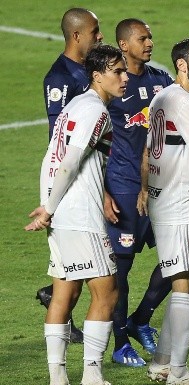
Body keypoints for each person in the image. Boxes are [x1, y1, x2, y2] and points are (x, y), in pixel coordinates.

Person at [26, 44, 134, 385]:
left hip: (64, 216)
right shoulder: (94, 112)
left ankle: (58, 383)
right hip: (78, 216)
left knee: (65, 293)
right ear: (97, 75)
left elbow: (50, 157)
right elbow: (69, 162)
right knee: (108, 291)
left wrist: (47, 204)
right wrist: (49, 208)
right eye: (117, 71)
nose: (124, 77)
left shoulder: (76, 106)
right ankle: (93, 379)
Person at [138, 38, 189, 385]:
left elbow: (146, 153)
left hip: (161, 197)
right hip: (178, 202)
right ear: (182, 65)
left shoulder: (161, 97)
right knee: (186, 280)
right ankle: (180, 372)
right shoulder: (183, 101)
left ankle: (162, 363)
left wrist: (148, 189)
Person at [103, 18, 174, 368]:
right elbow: (92, 144)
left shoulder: (161, 80)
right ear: (123, 45)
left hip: (161, 188)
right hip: (125, 187)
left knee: (178, 259)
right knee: (121, 269)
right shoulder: (113, 87)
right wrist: (103, 192)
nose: (149, 43)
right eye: (142, 38)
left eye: (150, 37)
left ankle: (140, 319)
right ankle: (119, 343)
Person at [37, 7, 104, 343]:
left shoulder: (86, 71)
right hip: (76, 183)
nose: (100, 36)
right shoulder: (61, 78)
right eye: (95, 31)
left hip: (89, 174)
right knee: (103, 283)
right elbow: (59, 139)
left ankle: (59, 368)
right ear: (77, 36)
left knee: (74, 277)